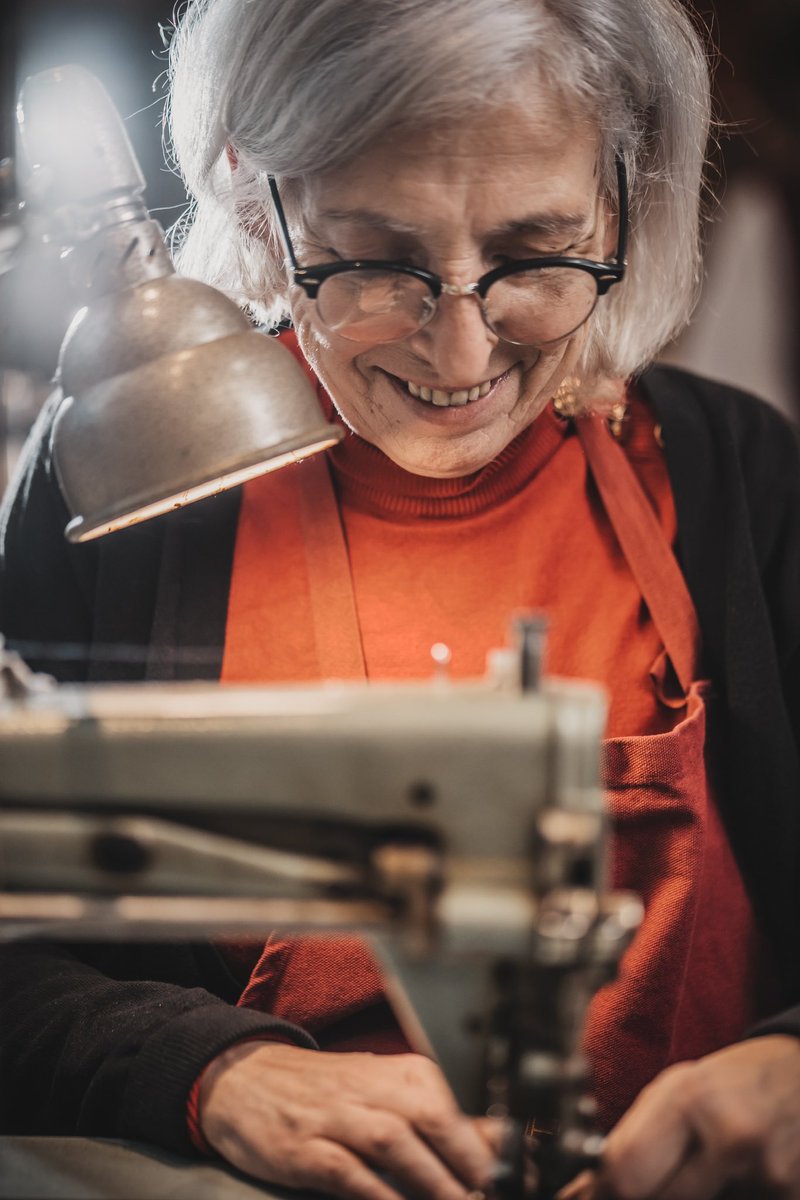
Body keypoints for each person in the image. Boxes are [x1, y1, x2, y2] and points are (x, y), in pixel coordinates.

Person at [1, 0, 800, 1197]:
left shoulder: (734, 478)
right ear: (250, 199)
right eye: (377, 258)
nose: (461, 353)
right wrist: (205, 1071)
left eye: (533, 254)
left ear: (621, 197)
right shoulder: (123, 490)